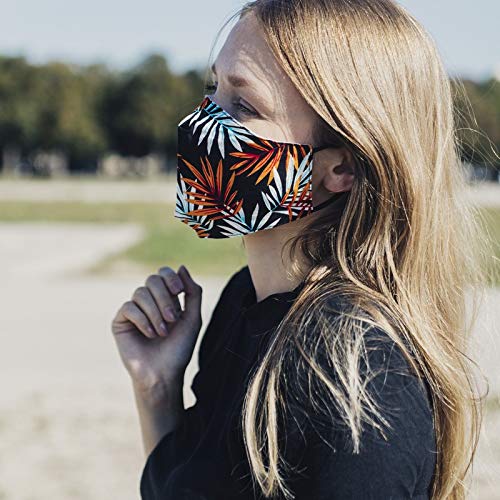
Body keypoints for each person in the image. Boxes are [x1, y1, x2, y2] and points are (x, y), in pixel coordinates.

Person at [111, 1, 487, 499]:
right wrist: (156, 389)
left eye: (245, 106)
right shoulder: (245, 301)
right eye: (213, 89)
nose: (202, 122)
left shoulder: (357, 379)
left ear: (341, 168)